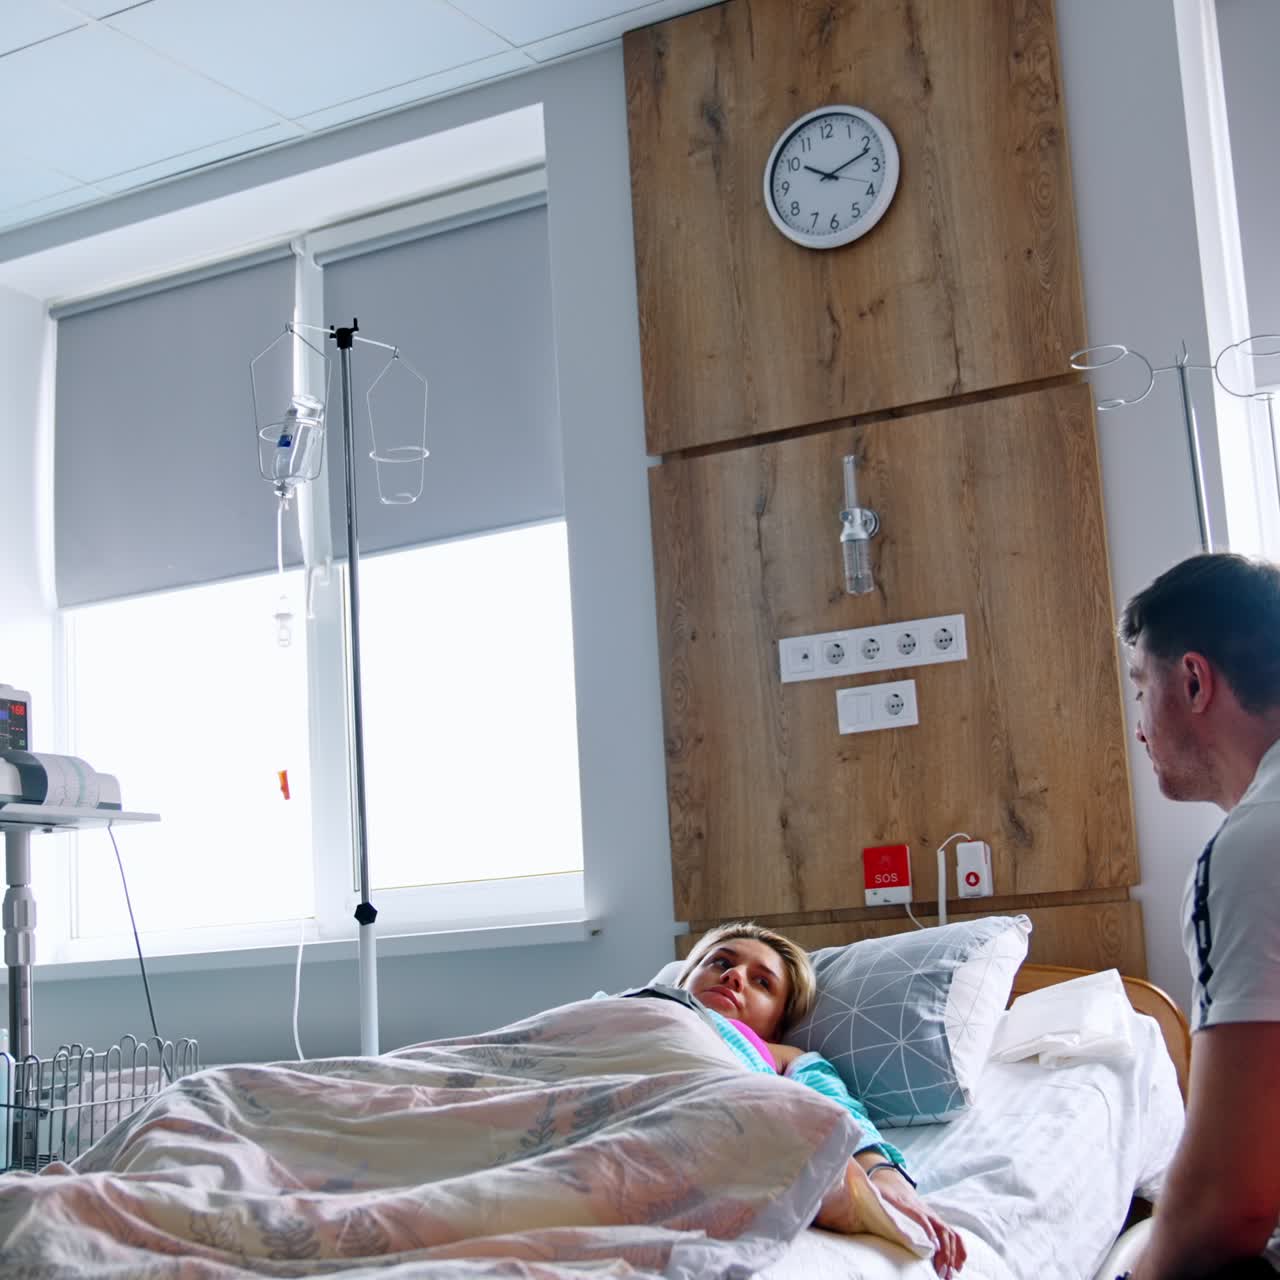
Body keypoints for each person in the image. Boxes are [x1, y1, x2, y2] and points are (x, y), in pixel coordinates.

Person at [1120, 553, 1280, 1278]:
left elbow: (1227, 1205)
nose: (1139, 727)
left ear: (1191, 680)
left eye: (1139, 689)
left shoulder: (1251, 851)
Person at [675, 921, 966, 1278]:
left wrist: (882, 1175)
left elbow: (839, 1112)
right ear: (684, 979)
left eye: (762, 982)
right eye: (720, 962)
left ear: (777, 1023)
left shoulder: (782, 1054)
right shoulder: (624, 1005)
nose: (734, 975)